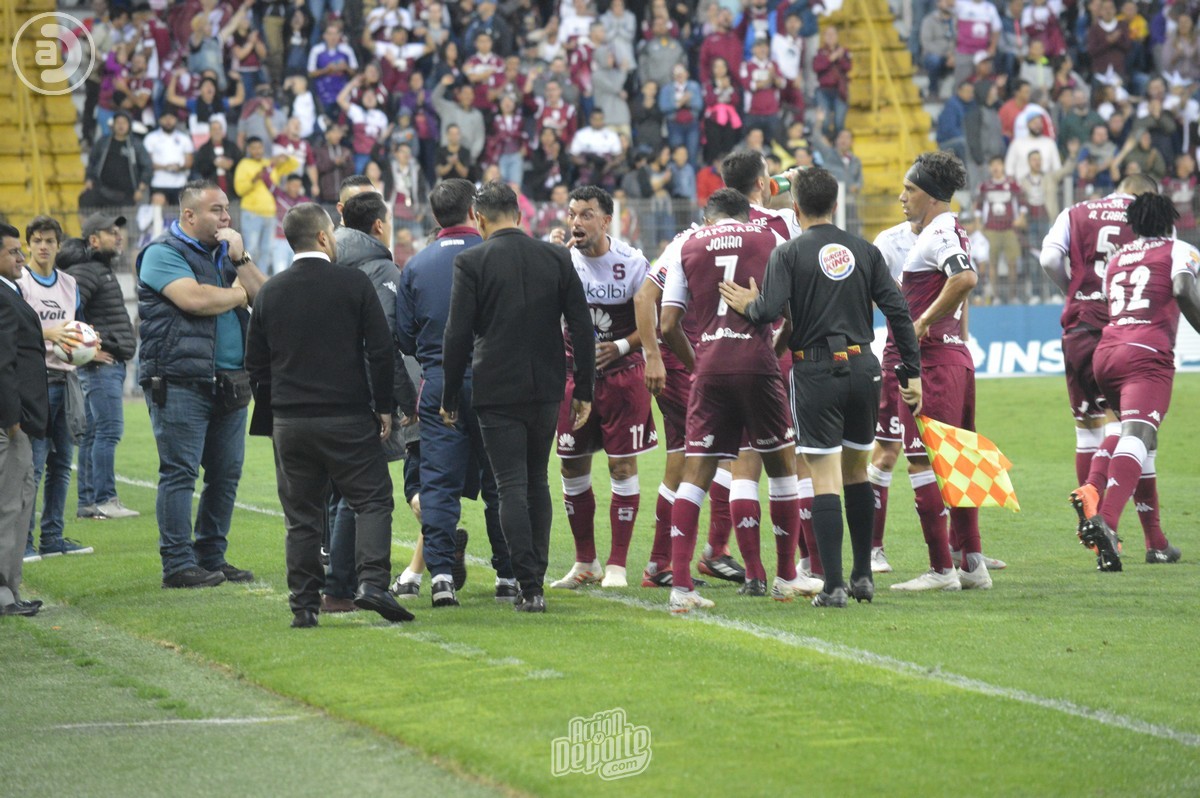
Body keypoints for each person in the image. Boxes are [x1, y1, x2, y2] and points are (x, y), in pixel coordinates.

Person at [721, 169, 923, 607]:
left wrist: (748, 304)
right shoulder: (865, 250)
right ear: (835, 204)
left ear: (795, 207)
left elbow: (768, 311)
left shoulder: (788, 252)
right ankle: (862, 576)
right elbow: (899, 311)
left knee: (826, 476)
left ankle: (832, 585)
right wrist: (912, 371)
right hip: (863, 367)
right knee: (857, 472)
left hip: (815, 369)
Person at [244, 203, 412, 628]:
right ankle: (372, 583)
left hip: (290, 422)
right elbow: (381, 350)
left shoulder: (271, 291)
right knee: (372, 498)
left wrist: (280, 406)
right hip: (346, 417)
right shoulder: (353, 283)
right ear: (323, 236)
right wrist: (385, 408)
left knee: (301, 517)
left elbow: (255, 364)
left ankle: (303, 606)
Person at [440, 181, 595, 613]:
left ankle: (528, 585)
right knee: (537, 480)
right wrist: (584, 389)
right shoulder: (555, 256)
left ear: (479, 218)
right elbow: (581, 327)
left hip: (495, 387)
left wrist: (449, 394)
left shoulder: (471, 261)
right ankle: (537, 579)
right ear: (520, 215)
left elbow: (457, 334)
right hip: (546, 385)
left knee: (510, 484)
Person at [657, 189, 810, 612]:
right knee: (782, 471)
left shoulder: (687, 243)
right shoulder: (770, 238)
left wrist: (697, 365)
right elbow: (794, 317)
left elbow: (667, 324)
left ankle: (681, 586)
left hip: (710, 368)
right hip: (758, 365)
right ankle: (785, 577)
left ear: (709, 218)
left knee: (696, 475)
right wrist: (772, 351)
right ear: (747, 215)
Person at [135, 180, 267, 589]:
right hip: (179, 381)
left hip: (232, 380)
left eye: (227, 209)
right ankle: (178, 563)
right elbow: (194, 300)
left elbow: (265, 300)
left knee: (226, 474)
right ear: (189, 215)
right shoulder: (161, 253)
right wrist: (236, 295)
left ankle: (211, 556)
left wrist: (241, 258)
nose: (226, 217)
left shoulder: (229, 254)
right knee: (180, 472)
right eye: (216, 210)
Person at [396, 179, 516, 607]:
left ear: (434, 216)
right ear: (474, 212)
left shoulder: (416, 265)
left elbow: (404, 338)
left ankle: (442, 577)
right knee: (500, 482)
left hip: (438, 384)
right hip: (493, 380)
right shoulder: (495, 255)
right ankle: (507, 576)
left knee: (438, 484)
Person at [1072, 194, 1200, 571]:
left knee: (1139, 438)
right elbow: (1182, 289)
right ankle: (1107, 522)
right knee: (1138, 435)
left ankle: (1155, 542)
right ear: (1169, 221)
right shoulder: (1180, 249)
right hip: (1146, 353)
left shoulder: (1117, 258)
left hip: (1107, 352)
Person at [1040, 173, 1161, 562]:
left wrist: (1073, 292)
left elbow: (1048, 258)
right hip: (1120, 327)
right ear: (1146, 195)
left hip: (1077, 325)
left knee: (1086, 429)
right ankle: (1103, 503)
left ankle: (1099, 539)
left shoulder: (1075, 211)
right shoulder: (1144, 218)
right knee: (1130, 429)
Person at [543, 186, 654, 590]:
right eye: (572, 214)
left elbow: (653, 321)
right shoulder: (560, 259)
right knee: (571, 465)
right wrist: (552, 259)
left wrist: (622, 345)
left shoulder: (632, 262)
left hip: (623, 377)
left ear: (607, 221)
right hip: (572, 377)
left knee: (621, 466)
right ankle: (585, 562)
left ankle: (617, 565)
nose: (576, 221)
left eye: (586, 214)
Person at [890, 150, 990, 592]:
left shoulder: (938, 233)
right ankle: (972, 564)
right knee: (960, 461)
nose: (902, 197)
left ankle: (941, 569)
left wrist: (923, 320)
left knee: (921, 461)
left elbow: (964, 279)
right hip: (954, 359)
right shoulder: (950, 230)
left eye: (909, 189)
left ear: (930, 195)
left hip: (930, 363)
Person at [16, 217, 92, 560]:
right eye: (37, 240)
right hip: (35, 381)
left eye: (49, 240)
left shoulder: (69, 283)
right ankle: (24, 542)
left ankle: (53, 536)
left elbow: (76, 325)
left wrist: (87, 341)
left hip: (67, 379)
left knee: (62, 463)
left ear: (59, 245)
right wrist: (50, 333)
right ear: (29, 245)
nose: (43, 246)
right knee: (32, 466)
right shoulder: (20, 284)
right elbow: (16, 329)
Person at [64, 213, 139, 521]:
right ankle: (105, 499)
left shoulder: (97, 269)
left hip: (107, 365)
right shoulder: (87, 270)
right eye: (111, 232)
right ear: (94, 239)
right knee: (109, 431)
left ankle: (88, 502)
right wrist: (88, 352)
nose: (118, 236)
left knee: (94, 434)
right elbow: (66, 314)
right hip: (101, 367)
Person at [0, 223, 49, 617]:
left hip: (18, 421)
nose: (22, 258)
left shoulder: (10, 293)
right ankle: (3, 594)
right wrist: (12, 420)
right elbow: (2, 363)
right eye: (14, 251)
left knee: (19, 503)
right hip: (9, 424)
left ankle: (11, 591)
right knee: (8, 506)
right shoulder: (2, 298)